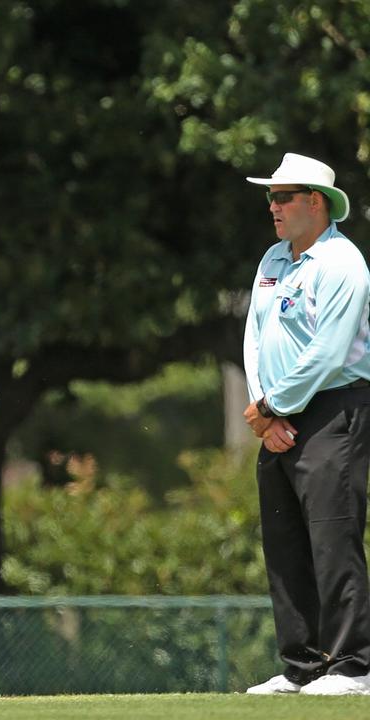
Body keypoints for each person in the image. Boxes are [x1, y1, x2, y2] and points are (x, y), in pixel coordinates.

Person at [241, 153, 370, 696]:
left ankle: (354, 667)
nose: (272, 206)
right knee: (285, 537)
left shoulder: (344, 264)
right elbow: (255, 334)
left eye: (282, 196)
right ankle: (302, 667)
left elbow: (328, 353)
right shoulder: (273, 257)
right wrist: (261, 408)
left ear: (314, 202)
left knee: (333, 535)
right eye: (270, 196)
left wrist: (273, 407)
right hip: (273, 411)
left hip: (334, 407)